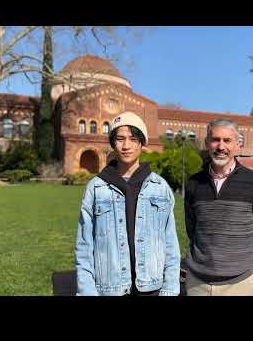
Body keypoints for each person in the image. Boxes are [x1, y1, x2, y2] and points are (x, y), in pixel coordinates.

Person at [75, 111, 180, 296]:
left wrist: (170, 289)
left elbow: (170, 244)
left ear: (142, 143)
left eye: (133, 139)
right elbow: (84, 247)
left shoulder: (159, 187)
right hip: (109, 289)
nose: (126, 146)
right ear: (113, 143)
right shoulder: (96, 188)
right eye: (120, 139)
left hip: (151, 288)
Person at [184, 119, 253, 296]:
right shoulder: (194, 183)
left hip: (239, 284)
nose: (220, 146)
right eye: (215, 139)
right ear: (207, 143)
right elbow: (191, 227)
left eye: (227, 140)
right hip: (198, 283)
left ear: (237, 145)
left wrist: (246, 262)